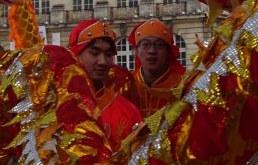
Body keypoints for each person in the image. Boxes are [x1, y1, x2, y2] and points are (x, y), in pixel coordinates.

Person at [68, 19, 142, 150]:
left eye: (108, 54)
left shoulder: (129, 111)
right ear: (75, 55)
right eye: (95, 53)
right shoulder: (58, 106)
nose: (103, 61)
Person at [123, 19, 187, 117]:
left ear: (168, 52)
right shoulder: (126, 85)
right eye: (145, 45)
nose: (152, 50)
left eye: (159, 45)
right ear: (136, 51)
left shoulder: (183, 85)